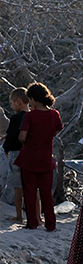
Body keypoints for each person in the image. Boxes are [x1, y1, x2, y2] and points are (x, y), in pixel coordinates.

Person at [16, 83, 62, 231]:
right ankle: (50, 223)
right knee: (46, 193)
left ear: (33, 99)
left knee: (30, 192)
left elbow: (22, 137)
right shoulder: (55, 115)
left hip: (29, 158)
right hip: (46, 159)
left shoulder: (30, 116)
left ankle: (32, 223)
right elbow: (56, 131)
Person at [4, 88, 29, 223]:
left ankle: (19, 216)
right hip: (30, 154)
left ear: (18, 102)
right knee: (32, 187)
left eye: (12, 103)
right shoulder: (33, 116)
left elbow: (11, 136)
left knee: (17, 186)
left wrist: (5, 147)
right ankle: (35, 216)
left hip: (16, 154)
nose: (11, 105)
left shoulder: (15, 118)